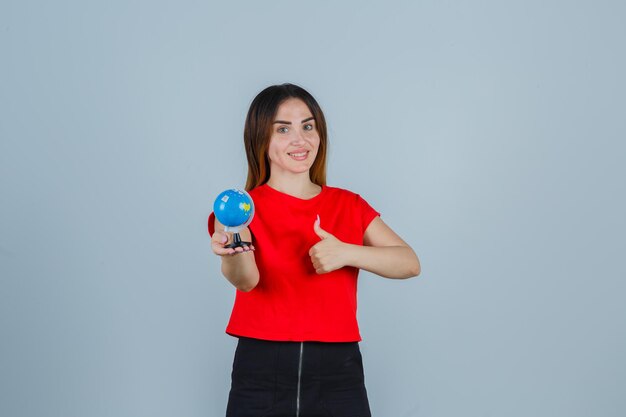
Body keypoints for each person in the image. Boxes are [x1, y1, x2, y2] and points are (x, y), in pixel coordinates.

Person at [208, 83, 421, 417]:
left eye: (308, 126)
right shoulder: (240, 210)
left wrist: (347, 253)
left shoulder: (348, 204)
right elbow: (246, 280)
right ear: (260, 138)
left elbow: (409, 263)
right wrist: (235, 242)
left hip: (338, 371)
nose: (300, 139)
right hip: (261, 368)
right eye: (283, 129)